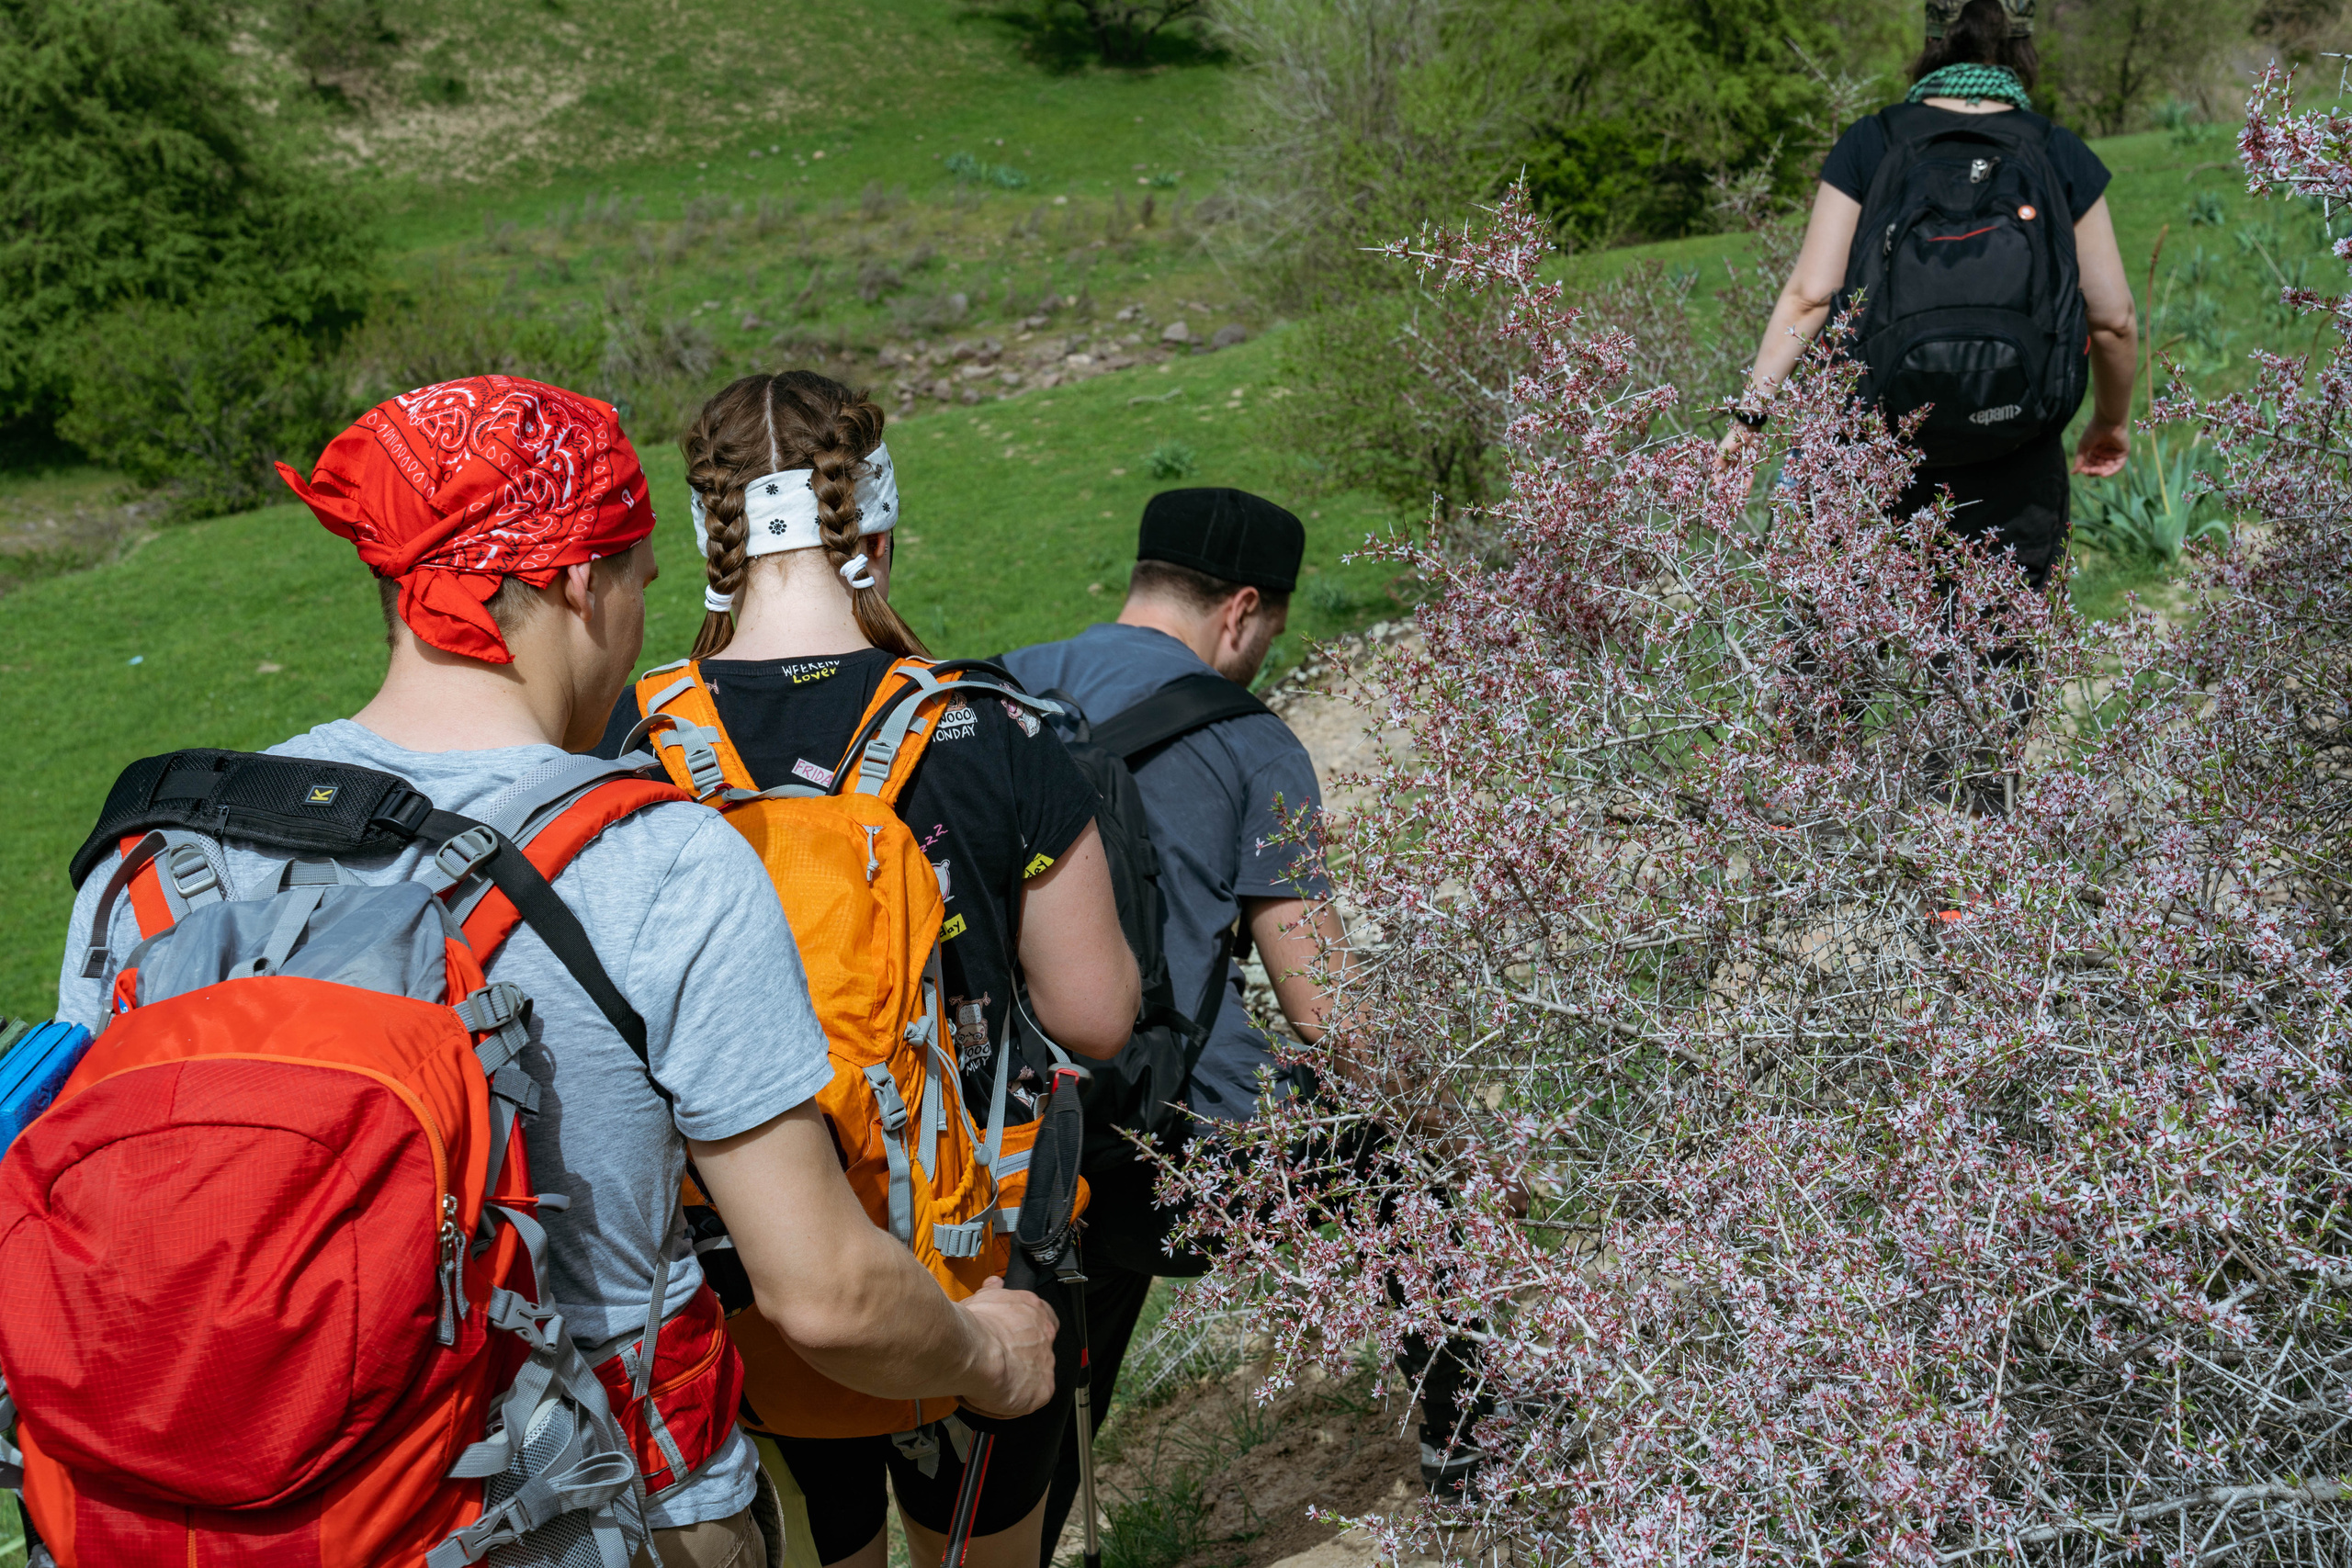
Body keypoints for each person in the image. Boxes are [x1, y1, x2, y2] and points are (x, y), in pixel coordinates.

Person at [53, 377, 1058, 1568]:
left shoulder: (159, 859)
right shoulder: (659, 855)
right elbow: (825, 1293)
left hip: (211, 1508)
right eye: (637, 583)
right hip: (581, 1512)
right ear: (585, 584)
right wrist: (989, 1348)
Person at [597, 370, 1141, 1568]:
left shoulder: (627, 751)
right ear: (876, 526)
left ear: (712, 539)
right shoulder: (998, 729)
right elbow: (1096, 1015)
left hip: (732, 1270)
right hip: (976, 1256)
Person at [1001, 489, 1488, 1552]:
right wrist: (1440, 1113)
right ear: (1244, 611)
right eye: (1270, 631)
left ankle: (1027, 1534)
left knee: (1059, 1335)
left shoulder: (993, 686)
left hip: (1013, 1140)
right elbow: (1326, 1012)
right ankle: (1474, 1439)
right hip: (1183, 1150)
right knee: (1394, 1151)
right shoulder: (1248, 740)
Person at [1717, 0, 2137, 595]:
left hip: (1874, 453)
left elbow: (1810, 298)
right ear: (2023, 42)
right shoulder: (2054, 149)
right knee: (2000, 662)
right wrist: (2110, 423)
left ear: (1933, 39)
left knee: (1844, 662)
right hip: (2015, 451)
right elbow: (2114, 320)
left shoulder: (1873, 142)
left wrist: (1749, 418)